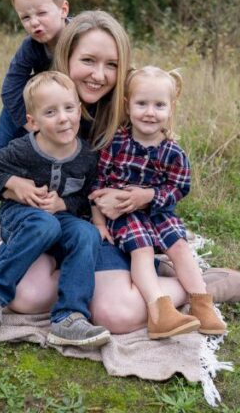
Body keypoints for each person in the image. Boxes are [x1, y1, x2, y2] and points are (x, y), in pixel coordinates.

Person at [0, 10, 240, 334]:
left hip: (102, 228)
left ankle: (208, 286)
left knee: (115, 314)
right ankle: (153, 275)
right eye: (88, 60)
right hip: (42, 223)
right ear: (66, 56)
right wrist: (18, 186)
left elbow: (161, 178)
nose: (99, 75)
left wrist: (140, 197)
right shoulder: (36, 101)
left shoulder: (130, 109)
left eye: (111, 65)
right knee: (25, 297)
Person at [0, 72, 110, 346]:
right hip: (20, 218)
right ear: (33, 122)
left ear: (79, 112)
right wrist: (14, 183)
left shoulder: (86, 156)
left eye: (69, 108)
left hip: (60, 219)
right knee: (45, 224)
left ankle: (68, 318)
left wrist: (64, 204)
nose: (62, 117)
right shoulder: (23, 149)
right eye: (50, 112)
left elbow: (85, 196)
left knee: (86, 234)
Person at [93, 66, 224, 339]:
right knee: (142, 250)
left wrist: (151, 196)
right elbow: (98, 184)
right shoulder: (115, 143)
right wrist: (98, 219)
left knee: (180, 247)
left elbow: (178, 188)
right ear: (128, 107)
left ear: (171, 108)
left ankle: (202, 303)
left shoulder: (173, 152)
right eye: (142, 104)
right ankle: (159, 310)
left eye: (159, 105)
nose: (150, 112)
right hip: (125, 214)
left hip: (158, 212)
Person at [0, 0, 70, 160]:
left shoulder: (81, 38)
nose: (34, 22)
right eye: (26, 17)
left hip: (71, 109)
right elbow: (10, 87)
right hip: (40, 105)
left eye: (41, 13)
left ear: (63, 10)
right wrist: (30, 124)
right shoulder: (30, 46)